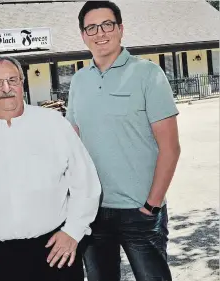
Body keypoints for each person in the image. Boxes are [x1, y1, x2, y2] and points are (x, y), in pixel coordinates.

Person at [0, 56, 101, 281]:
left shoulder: (54, 124)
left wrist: (73, 231)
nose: (6, 88)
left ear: (22, 83)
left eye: (13, 79)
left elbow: (86, 183)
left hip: (55, 251)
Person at [66, 2, 181, 281]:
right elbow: (73, 144)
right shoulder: (79, 81)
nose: (100, 33)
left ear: (120, 29)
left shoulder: (148, 74)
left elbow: (171, 148)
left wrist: (152, 205)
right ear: (83, 35)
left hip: (139, 212)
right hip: (93, 213)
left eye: (107, 24)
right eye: (91, 27)